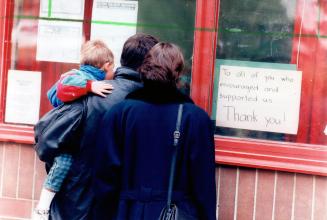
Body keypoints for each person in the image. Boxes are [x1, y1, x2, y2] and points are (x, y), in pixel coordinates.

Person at [38, 33, 159, 220]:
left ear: (122, 59)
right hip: (121, 207)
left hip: (76, 204)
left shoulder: (93, 93)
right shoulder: (155, 105)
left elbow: (46, 140)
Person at [92, 42, 217, 219]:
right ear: (178, 74)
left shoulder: (119, 114)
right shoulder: (196, 119)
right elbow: (203, 185)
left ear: (144, 70)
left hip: (127, 212)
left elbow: (105, 178)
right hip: (176, 212)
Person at [33, 39, 115, 220]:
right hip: (64, 138)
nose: (114, 73)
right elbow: (62, 89)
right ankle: (42, 208)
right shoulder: (80, 77)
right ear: (106, 65)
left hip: (70, 135)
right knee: (63, 164)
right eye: (112, 68)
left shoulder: (82, 77)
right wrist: (90, 86)